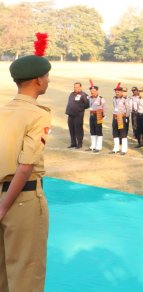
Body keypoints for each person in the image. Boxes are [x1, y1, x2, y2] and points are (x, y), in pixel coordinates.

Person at [1, 33, 51, 292]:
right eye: (46, 76)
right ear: (38, 80)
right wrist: (4, 206)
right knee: (26, 276)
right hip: (21, 198)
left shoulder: (3, 110)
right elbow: (25, 166)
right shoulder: (37, 115)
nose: (48, 80)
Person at [65, 82, 88, 149]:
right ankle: (73, 143)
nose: (75, 88)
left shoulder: (84, 95)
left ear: (80, 87)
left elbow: (87, 104)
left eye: (77, 87)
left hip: (78, 115)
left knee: (78, 129)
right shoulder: (72, 94)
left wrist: (80, 108)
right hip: (70, 114)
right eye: (74, 87)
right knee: (71, 129)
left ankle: (79, 143)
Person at [111, 85, 130, 155]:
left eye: (118, 92)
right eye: (116, 92)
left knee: (123, 133)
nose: (117, 93)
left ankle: (124, 149)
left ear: (121, 92)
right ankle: (116, 148)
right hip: (115, 117)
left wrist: (126, 117)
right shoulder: (114, 98)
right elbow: (114, 106)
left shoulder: (125, 99)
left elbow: (128, 109)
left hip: (122, 117)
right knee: (115, 132)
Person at [87, 85, 105, 152]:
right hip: (91, 115)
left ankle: (98, 147)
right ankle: (93, 145)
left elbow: (104, 108)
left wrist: (103, 116)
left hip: (99, 115)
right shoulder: (90, 98)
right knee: (92, 131)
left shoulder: (101, 99)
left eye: (94, 91)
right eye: (91, 91)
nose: (92, 92)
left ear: (97, 91)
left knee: (98, 131)